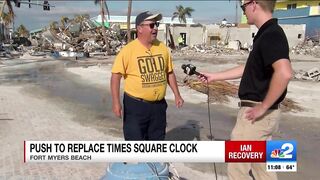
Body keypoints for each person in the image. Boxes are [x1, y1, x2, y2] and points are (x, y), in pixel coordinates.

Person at [198, 1, 292, 180]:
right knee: (263, 169)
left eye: (243, 8)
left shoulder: (271, 35)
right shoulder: (266, 34)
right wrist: (214, 76)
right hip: (262, 116)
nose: (244, 12)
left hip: (255, 114)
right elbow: (249, 68)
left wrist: (263, 106)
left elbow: (285, 72)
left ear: (254, 4)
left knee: (237, 171)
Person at [111, 11, 184, 141]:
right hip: (135, 106)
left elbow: (169, 72)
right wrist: (116, 103)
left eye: (156, 24)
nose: (155, 28)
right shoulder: (128, 50)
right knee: (135, 142)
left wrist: (177, 95)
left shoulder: (162, 48)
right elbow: (115, 77)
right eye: (151, 25)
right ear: (139, 28)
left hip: (158, 107)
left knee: (157, 141)